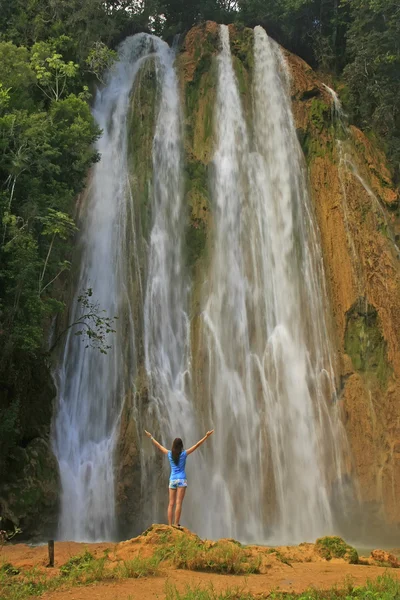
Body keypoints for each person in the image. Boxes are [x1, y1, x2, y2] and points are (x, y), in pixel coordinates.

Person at [145, 429, 214, 527]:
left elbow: (159, 446)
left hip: (172, 480)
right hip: (181, 480)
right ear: (181, 446)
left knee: (171, 503)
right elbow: (197, 445)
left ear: (173, 445)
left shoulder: (169, 454)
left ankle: (169, 525)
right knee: (178, 503)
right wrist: (206, 436)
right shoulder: (184, 454)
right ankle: (176, 524)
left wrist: (151, 437)